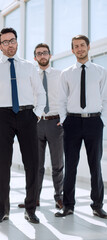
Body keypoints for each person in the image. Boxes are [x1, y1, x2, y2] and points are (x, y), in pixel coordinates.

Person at [0, 27, 45, 224]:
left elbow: (40, 93)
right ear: (0, 46)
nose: (10, 44)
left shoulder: (29, 67)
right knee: (3, 165)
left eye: (12, 40)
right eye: (5, 42)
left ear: (17, 42)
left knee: (32, 164)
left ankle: (30, 209)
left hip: (27, 115)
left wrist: (36, 114)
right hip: (3, 116)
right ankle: (2, 211)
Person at [55, 35, 107, 219]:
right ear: (72, 50)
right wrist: (64, 119)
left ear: (88, 47)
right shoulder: (66, 73)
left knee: (95, 166)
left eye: (82, 45)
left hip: (94, 122)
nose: (79, 49)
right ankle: (68, 206)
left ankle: (97, 205)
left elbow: (105, 98)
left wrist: (102, 121)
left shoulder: (101, 71)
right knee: (70, 165)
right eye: (76, 46)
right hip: (72, 123)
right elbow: (61, 99)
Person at [18, 43, 64, 210]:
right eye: (39, 54)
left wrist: (64, 118)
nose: (42, 56)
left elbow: (66, 97)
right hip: (36, 123)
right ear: (35, 57)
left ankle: (60, 198)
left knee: (57, 164)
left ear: (50, 55)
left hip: (55, 122)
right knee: (35, 165)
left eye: (45, 53)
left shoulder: (60, 75)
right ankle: (33, 199)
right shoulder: (31, 76)